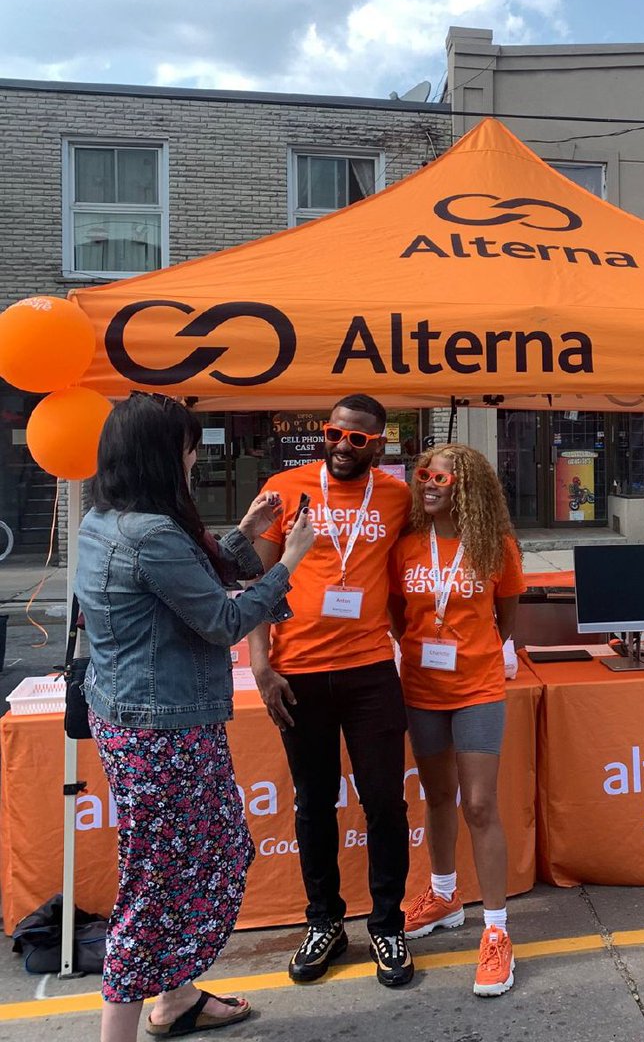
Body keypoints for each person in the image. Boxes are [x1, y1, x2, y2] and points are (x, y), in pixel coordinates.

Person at [74, 393, 315, 1042]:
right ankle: (124, 1025)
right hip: (164, 732)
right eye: (187, 445)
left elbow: (189, 578)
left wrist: (244, 531)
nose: (194, 457)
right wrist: (289, 559)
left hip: (138, 720)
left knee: (196, 857)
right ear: (162, 454)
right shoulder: (152, 532)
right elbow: (223, 619)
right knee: (159, 880)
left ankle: (177, 997)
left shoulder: (106, 518)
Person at [249, 393, 414, 988]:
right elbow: (260, 582)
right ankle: (324, 922)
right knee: (313, 803)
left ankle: (388, 924)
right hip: (299, 671)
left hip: (371, 669)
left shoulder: (397, 497)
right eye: (334, 433)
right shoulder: (285, 488)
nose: (343, 446)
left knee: (385, 803)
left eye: (358, 439)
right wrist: (261, 666)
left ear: (379, 443)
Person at [388, 444, 525, 997]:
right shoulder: (406, 546)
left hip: (478, 689)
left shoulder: (496, 547)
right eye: (423, 474)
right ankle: (444, 896)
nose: (427, 483)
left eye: (440, 478)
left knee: (480, 804)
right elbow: (398, 615)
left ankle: (496, 930)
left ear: (466, 487)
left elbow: (505, 618)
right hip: (421, 689)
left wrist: (471, 652)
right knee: (438, 795)